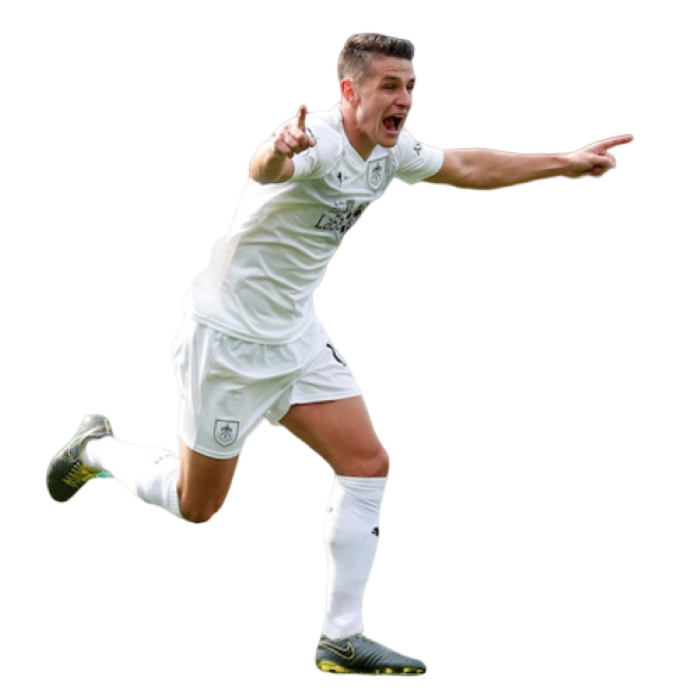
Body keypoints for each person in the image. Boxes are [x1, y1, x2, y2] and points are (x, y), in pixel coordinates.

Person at [46, 31, 634, 678]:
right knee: (197, 506)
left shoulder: (389, 150)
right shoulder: (316, 140)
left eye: (411, 87)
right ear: (349, 91)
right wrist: (277, 149)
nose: (405, 99)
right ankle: (97, 449)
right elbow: (264, 169)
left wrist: (564, 163)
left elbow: (465, 166)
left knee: (367, 463)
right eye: (390, 86)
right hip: (227, 341)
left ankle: (342, 637)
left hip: (296, 335)